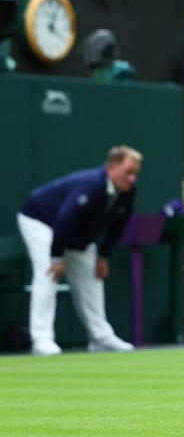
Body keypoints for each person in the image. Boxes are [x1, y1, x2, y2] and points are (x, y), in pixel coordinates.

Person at [17, 145, 141, 356]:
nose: (132, 179)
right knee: (48, 274)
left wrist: (103, 255)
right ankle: (42, 340)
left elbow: (119, 225)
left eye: (135, 174)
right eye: (128, 172)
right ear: (111, 167)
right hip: (41, 221)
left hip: (76, 233)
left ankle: (100, 337)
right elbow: (65, 219)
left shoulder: (128, 191)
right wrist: (56, 257)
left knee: (91, 277)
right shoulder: (91, 185)